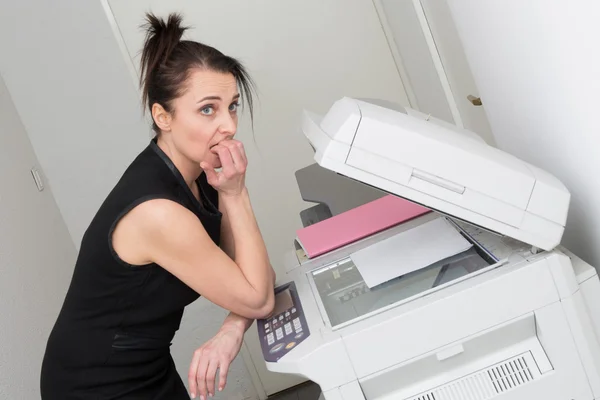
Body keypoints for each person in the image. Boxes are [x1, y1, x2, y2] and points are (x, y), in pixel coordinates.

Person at [40, 12, 276, 400]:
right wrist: (235, 194)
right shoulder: (158, 213)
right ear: (162, 116)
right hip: (93, 382)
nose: (229, 125)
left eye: (232, 106)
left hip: (146, 363)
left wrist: (232, 329)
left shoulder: (203, 177)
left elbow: (257, 280)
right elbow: (259, 298)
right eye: (207, 109)